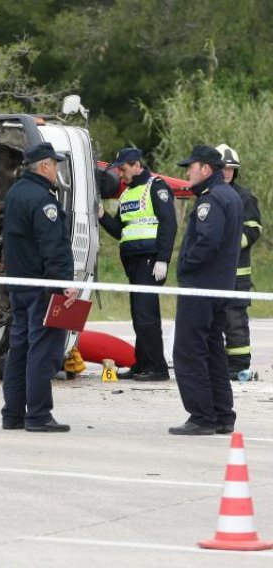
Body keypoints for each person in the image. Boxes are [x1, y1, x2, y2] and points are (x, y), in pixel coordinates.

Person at [1, 142, 77, 433]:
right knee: (43, 350)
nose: (57, 170)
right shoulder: (43, 199)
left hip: (19, 284)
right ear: (44, 166)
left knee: (19, 347)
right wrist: (63, 285)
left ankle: (13, 413)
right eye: (55, 165)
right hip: (42, 287)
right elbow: (53, 246)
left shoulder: (15, 193)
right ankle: (38, 415)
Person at [170, 145, 243, 435]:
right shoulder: (231, 195)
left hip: (201, 287)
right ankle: (223, 414)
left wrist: (185, 265)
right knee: (213, 349)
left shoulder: (210, 200)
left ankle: (202, 416)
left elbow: (207, 242)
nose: (188, 172)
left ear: (205, 169)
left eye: (191, 166)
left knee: (189, 351)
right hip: (221, 286)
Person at [98, 147, 177, 381]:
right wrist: (102, 216)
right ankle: (142, 364)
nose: (120, 175)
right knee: (138, 315)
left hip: (151, 260)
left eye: (123, 169)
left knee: (146, 316)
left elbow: (168, 224)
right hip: (133, 262)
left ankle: (157, 368)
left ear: (136, 164)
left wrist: (163, 258)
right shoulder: (127, 194)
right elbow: (121, 231)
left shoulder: (156, 186)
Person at [215, 144, 262, 380]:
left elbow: (254, 229)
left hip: (237, 273)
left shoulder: (245, 197)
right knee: (215, 319)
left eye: (231, 169)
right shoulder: (208, 195)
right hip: (213, 273)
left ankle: (239, 366)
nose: (226, 172)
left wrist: (231, 245)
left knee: (235, 321)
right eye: (222, 168)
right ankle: (220, 363)